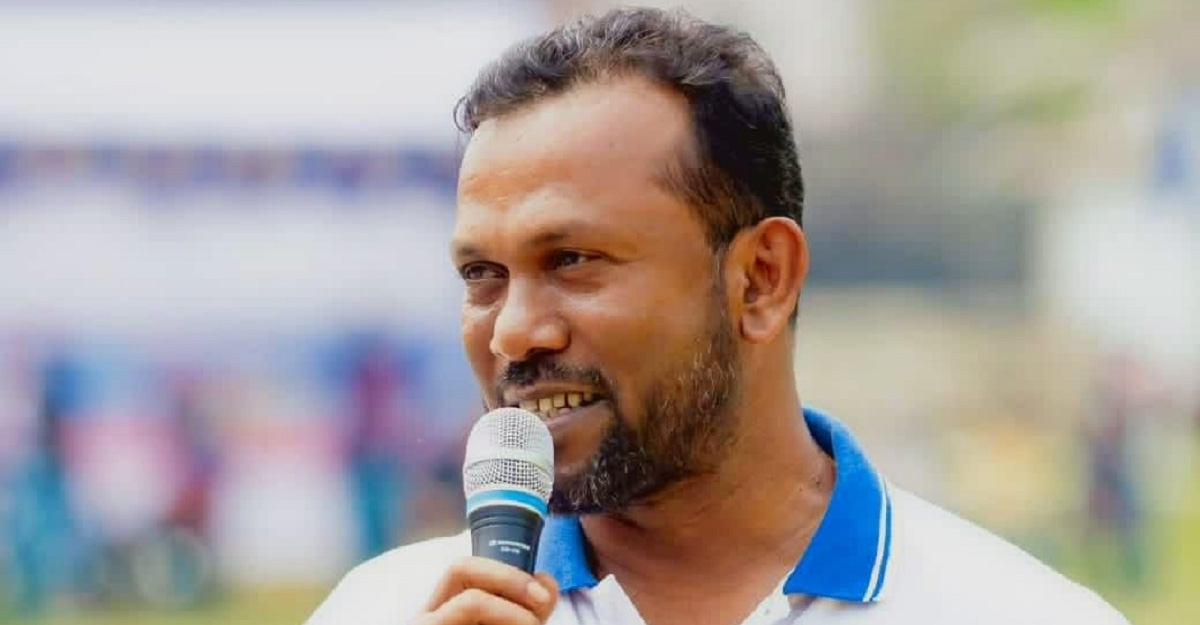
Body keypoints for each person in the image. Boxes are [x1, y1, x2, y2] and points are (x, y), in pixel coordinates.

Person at [306, 7, 1129, 625]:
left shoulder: (1014, 611)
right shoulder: (381, 610)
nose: (513, 331)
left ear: (761, 279)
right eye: (482, 274)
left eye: (573, 259)